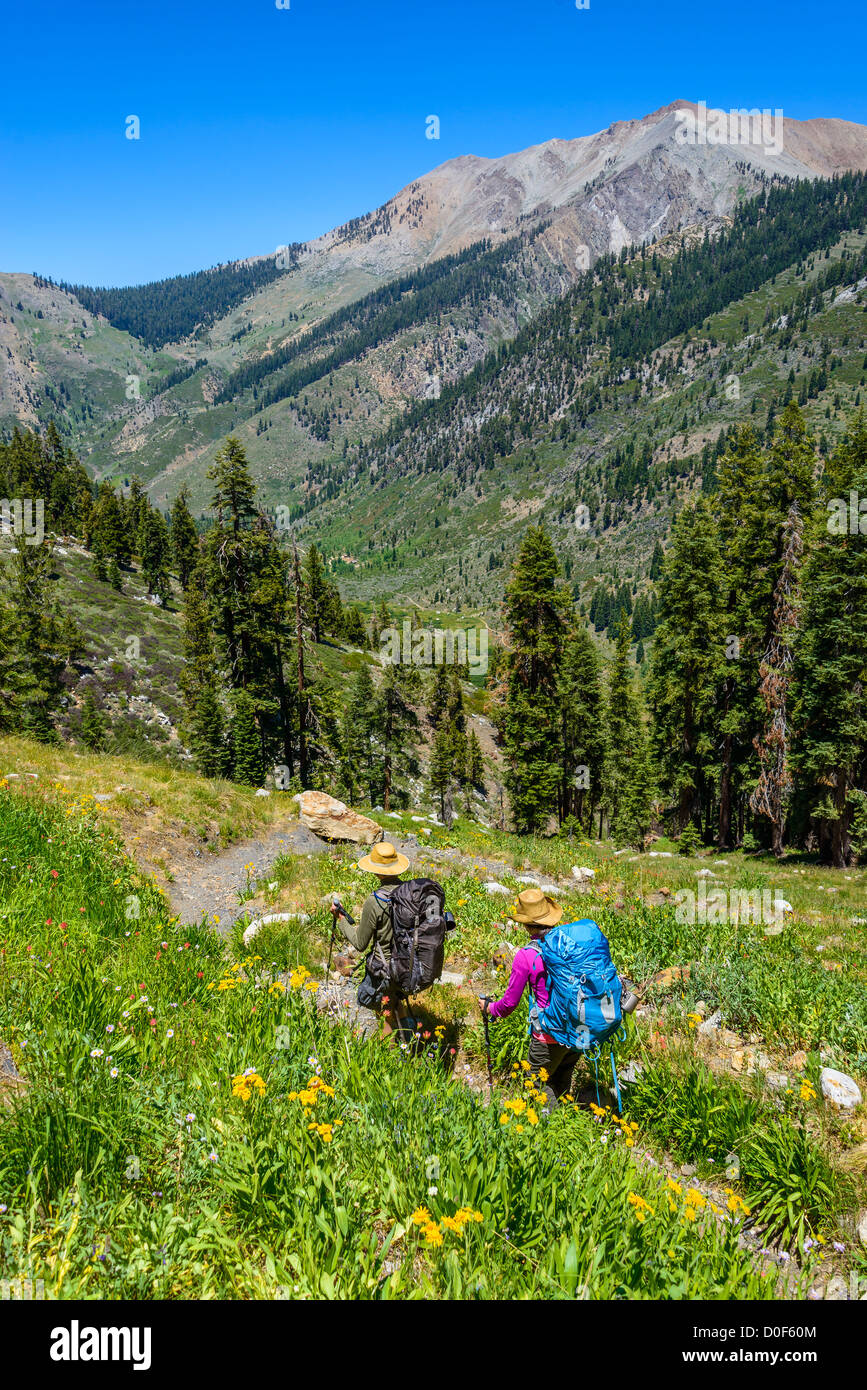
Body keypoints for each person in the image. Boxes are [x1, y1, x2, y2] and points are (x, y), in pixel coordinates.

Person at [483, 887, 580, 1112]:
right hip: (577, 1027)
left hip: (549, 1031)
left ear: (525, 924)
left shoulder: (526, 955)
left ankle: (550, 1129)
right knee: (561, 1079)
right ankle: (565, 1123)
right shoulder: (569, 944)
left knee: (535, 1083)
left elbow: (508, 1004)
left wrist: (490, 1008)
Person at [330, 840, 410, 1036]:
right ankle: (410, 1039)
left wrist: (341, 919)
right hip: (409, 962)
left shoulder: (374, 901)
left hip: (385, 967)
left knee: (382, 1008)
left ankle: (390, 1056)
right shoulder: (410, 893)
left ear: (377, 871)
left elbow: (359, 943)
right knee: (396, 1000)